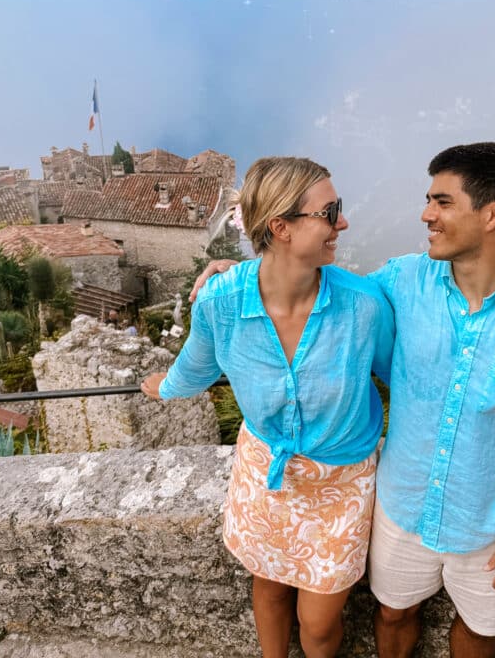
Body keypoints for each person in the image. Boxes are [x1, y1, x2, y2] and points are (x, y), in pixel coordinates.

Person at [191, 143, 495, 658]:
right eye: (428, 200)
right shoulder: (402, 281)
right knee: (392, 612)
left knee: (481, 630)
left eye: (443, 202)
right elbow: (315, 289)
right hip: (401, 503)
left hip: (489, 513)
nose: (426, 214)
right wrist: (243, 275)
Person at [141, 156, 394, 658]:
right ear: (281, 227)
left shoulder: (363, 306)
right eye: (330, 212)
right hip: (265, 472)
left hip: (341, 482)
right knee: (270, 586)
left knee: (318, 623)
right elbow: (198, 365)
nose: (342, 222)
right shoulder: (221, 301)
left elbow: (403, 377)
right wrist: (165, 386)